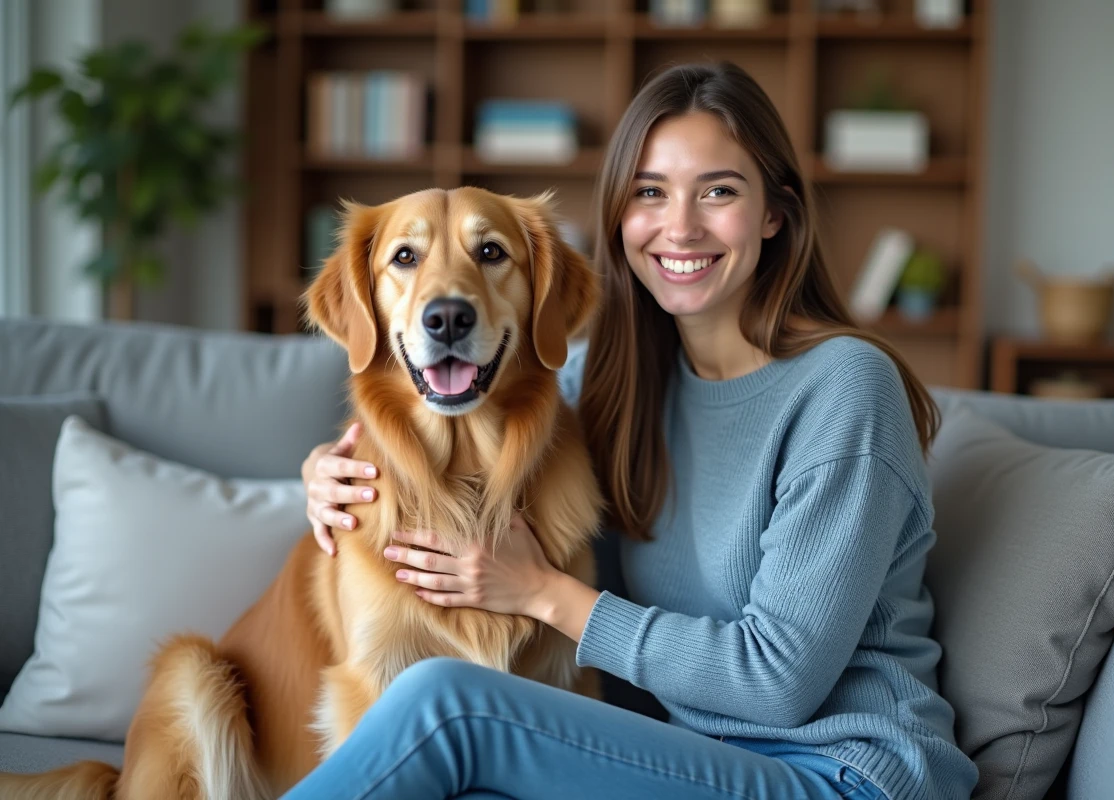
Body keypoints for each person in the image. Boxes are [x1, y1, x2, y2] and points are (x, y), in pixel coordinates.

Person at [290, 62, 978, 800]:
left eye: (718, 191)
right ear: (621, 217)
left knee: (444, 707)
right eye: (650, 192)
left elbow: (778, 684)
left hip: (843, 775)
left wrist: (544, 593)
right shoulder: (612, 385)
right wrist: (324, 473)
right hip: (687, 764)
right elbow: (474, 426)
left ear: (774, 213)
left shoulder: (845, 387)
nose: (680, 226)